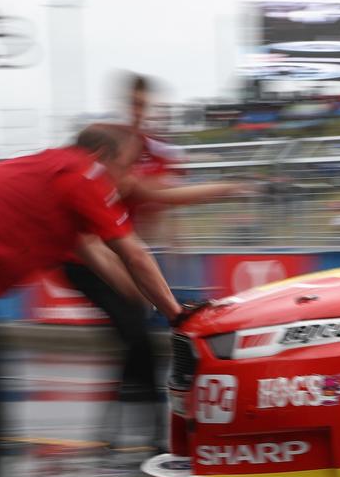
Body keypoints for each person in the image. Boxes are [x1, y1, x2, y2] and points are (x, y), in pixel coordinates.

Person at [0, 124, 189, 477]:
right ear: (102, 156)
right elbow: (132, 252)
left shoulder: (56, 173)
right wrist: (176, 314)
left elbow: (102, 260)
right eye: (127, 164)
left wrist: (143, 303)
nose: (131, 176)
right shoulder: (83, 174)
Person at [60, 74, 251, 446]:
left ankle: (122, 429)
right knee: (136, 335)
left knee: (136, 339)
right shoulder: (108, 143)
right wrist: (126, 275)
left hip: (117, 257)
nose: (139, 111)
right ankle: (145, 432)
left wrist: (226, 189)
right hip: (85, 259)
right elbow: (95, 232)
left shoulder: (144, 152)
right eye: (133, 104)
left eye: (144, 105)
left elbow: (165, 199)